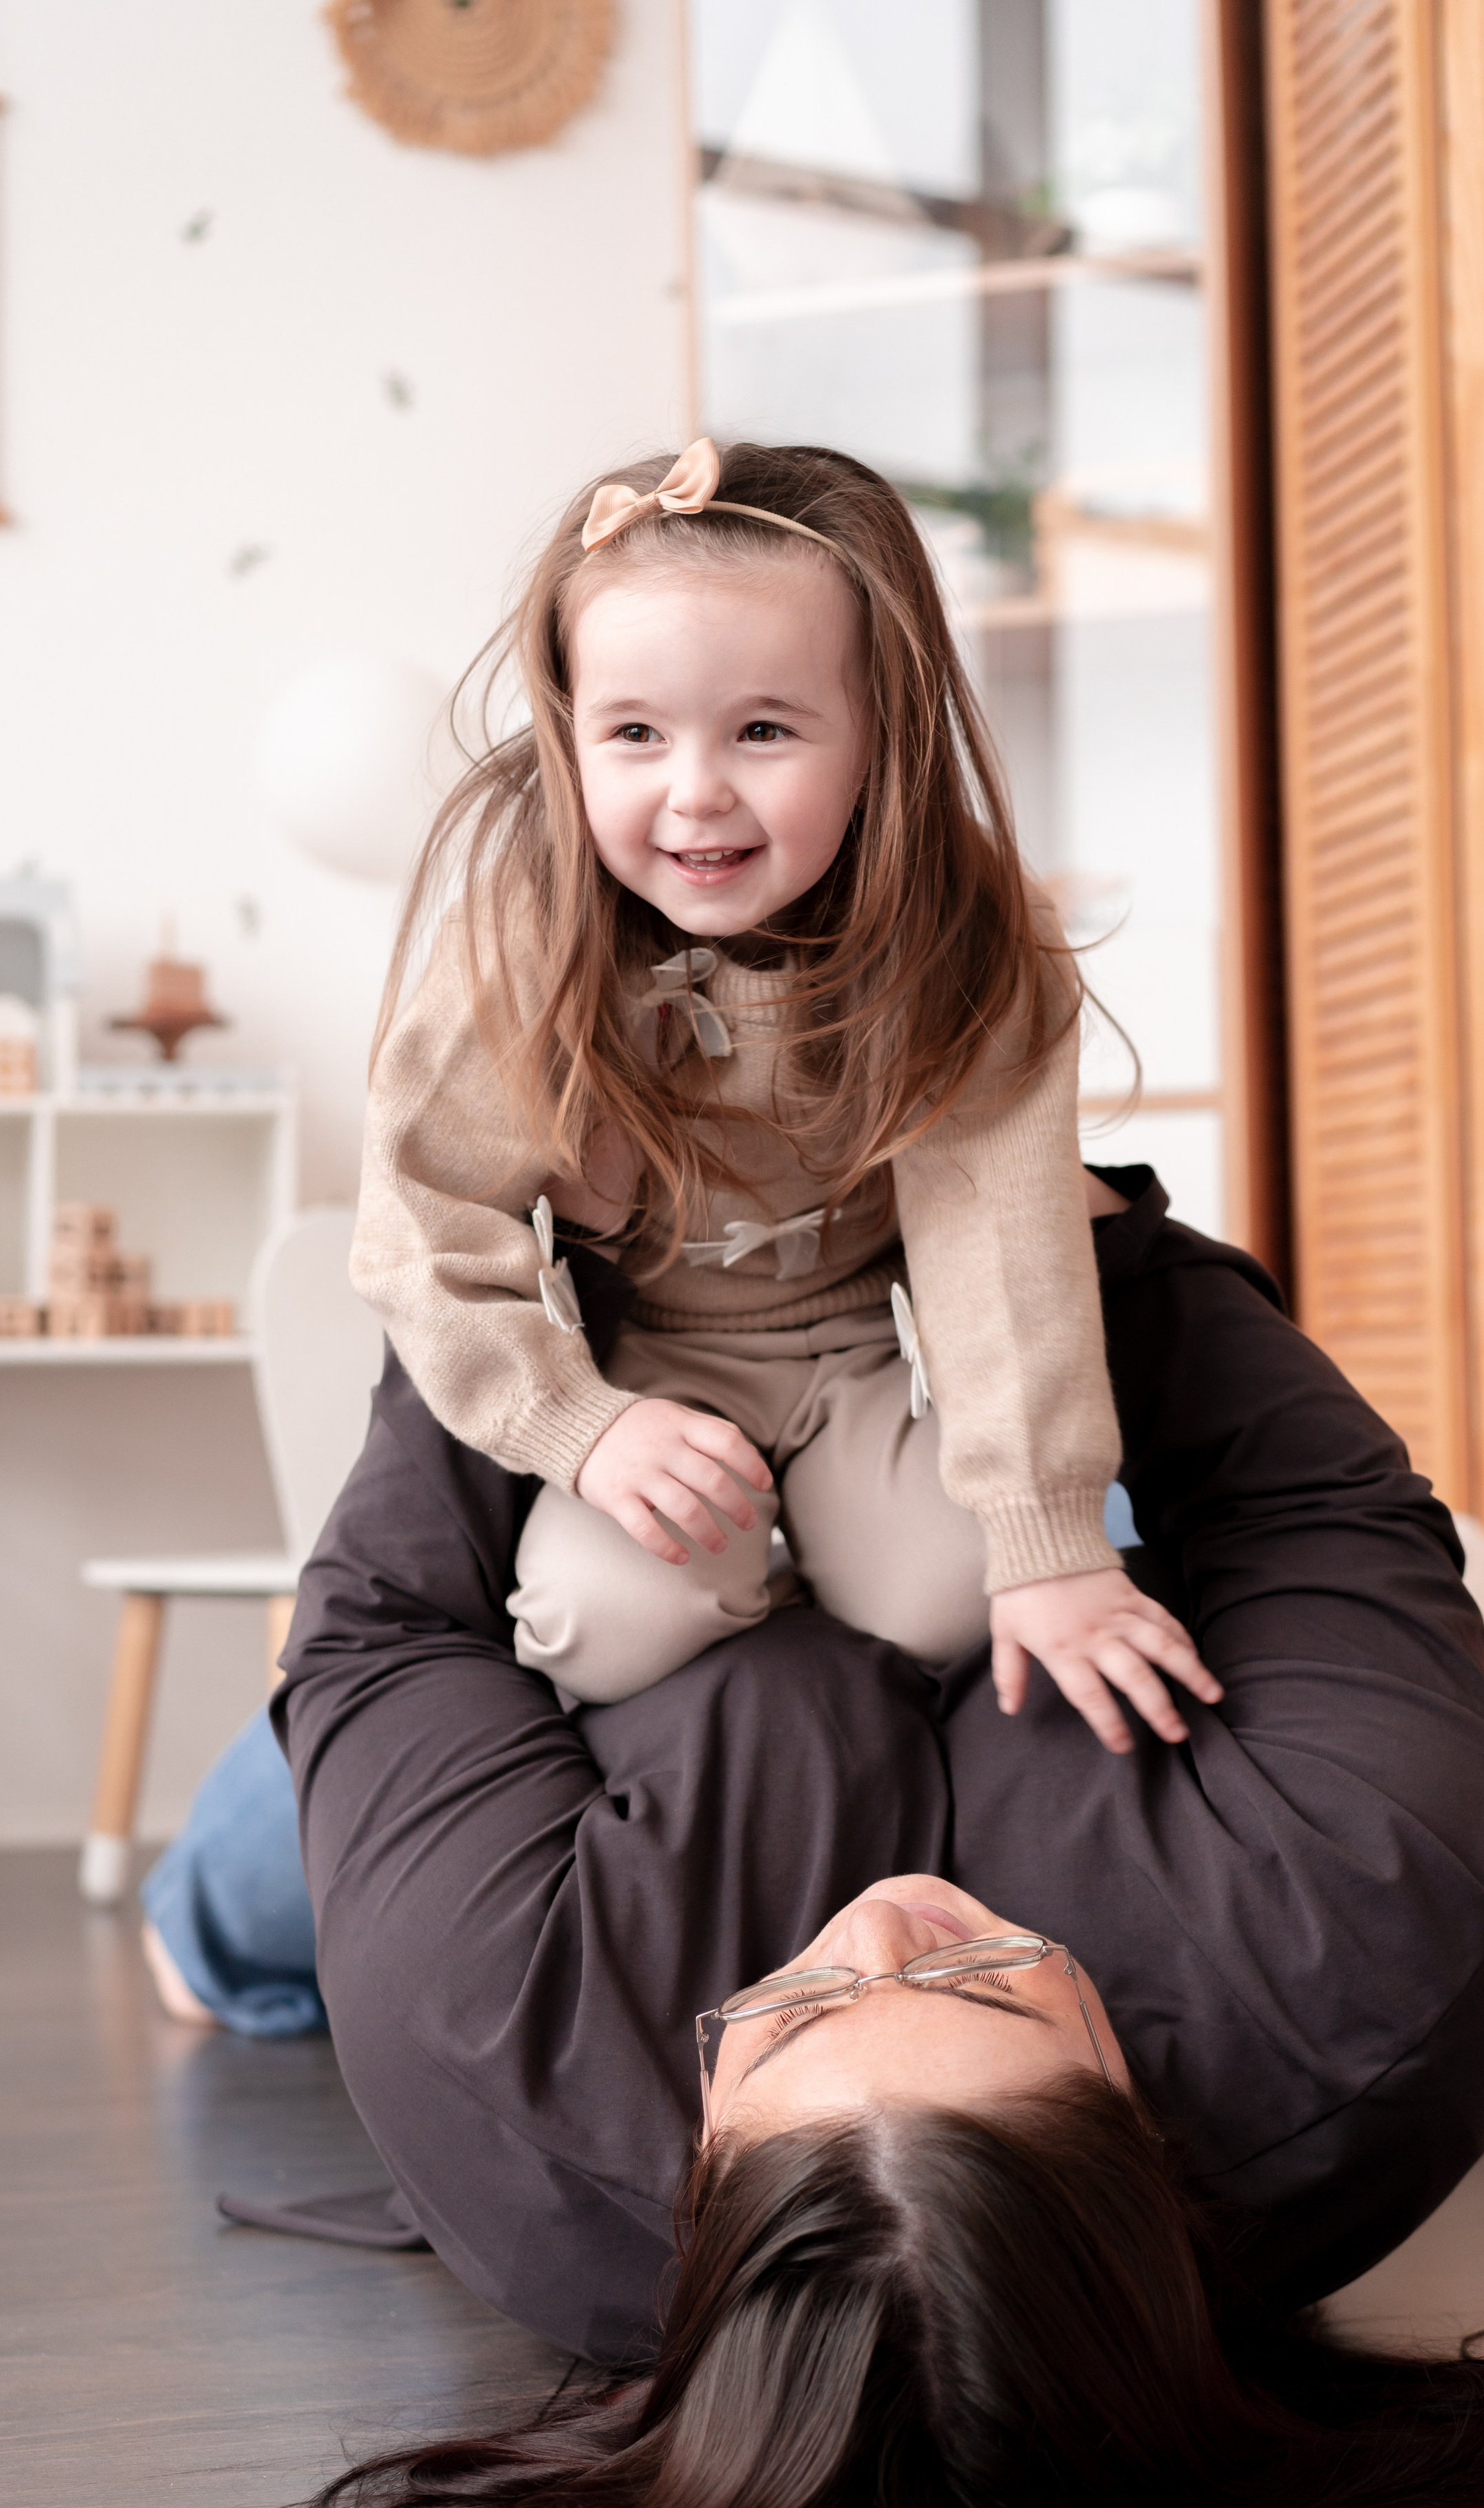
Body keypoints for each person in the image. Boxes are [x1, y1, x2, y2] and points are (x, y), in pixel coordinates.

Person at [269, 1167, 1484, 2508]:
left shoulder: (487, 2028)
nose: (882, 1913)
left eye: (790, 2010)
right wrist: (1057, 1213)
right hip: (962, 1521)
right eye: (983, 1975)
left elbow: (386, 1624)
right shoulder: (1360, 1953)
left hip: (570, 1682)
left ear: (701, 2153)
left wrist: (573, 1252)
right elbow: (1311, 1510)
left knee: (247, 1902)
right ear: (1134, 2103)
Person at [351, 437, 1217, 1754]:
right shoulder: (526, 927)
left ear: (880, 731)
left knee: (946, 1606)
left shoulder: (963, 935)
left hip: (866, 1347)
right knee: (603, 1624)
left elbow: (1001, 1243)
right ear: (568, 733)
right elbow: (421, 1215)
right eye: (634, 734)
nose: (696, 790)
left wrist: (1047, 1538)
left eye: (763, 730)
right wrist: (584, 1427)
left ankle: (821, 1552)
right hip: (649, 1356)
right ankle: (745, 1583)